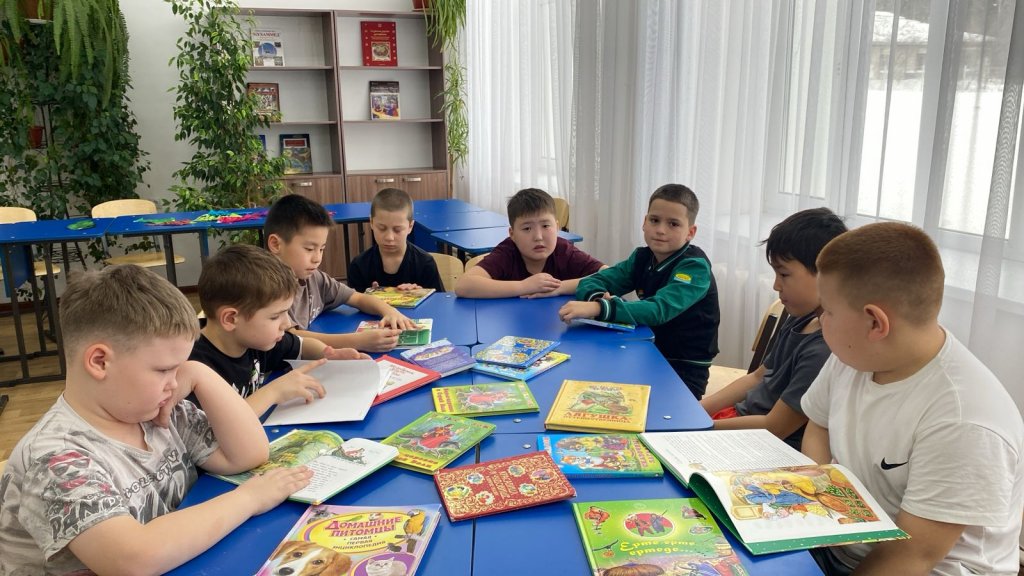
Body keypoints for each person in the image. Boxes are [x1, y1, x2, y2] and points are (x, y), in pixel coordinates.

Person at [0, 265, 313, 575]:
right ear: (100, 361)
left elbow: (248, 454)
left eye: (180, 367)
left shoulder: (156, 409)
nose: (175, 382)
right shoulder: (56, 458)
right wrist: (249, 499)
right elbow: (132, 559)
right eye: (164, 369)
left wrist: (200, 373)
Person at [801, 222, 1024, 575]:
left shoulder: (964, 419)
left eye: (826, 310)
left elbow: (912, 556)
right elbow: (819, 424)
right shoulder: (856, 354)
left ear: (875, 323)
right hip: (841, 548)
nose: (819, 321)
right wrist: (816, 494)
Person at [700, 208, 847, 448]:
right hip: (740, 420)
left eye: (784, 274)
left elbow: (775, 427)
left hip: (765, 444)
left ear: (825, 274)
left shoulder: (824, 350)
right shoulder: (801, 317)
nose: (776, 285)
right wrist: (698, 410)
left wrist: (701, 427)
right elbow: (757, 376)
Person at [559, 183, 719, 399]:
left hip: (683, 367)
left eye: (673, 224)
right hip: (645, 351)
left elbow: (658, 310)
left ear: (690, 232)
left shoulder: (694, 267)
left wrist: (598, 308)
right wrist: (597, 298)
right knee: (589, 388)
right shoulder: (642, 257)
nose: (661, 230)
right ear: (644, 222)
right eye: (654, 220)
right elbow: (595, 280)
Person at [189, 244, 368, 416]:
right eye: (275, 316)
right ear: (230, 319)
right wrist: (273, 392)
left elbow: (301, 345)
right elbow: (212, 428)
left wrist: (329, 354)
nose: (286, 323)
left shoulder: (254, 339)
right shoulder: (191, 369)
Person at [265, 194, 418, 352]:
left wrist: (389, 312)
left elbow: (356, 297)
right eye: (309, 249)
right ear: (276, 244)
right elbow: (291, 339)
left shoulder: (314, 278)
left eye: (321, 249)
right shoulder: (268, 289)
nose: (317, 259)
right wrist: (357, 341)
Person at [454, 188, 605, 298]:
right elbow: (464, 285)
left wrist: (559, 288)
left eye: (546, 226)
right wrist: (524, 286)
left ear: (557, 227)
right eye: (527, 228)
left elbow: (610, 276)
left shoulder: (564, 250)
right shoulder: (508, 252)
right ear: (512, 234)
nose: (538, 237)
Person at [346, 188, 445, 293]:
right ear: (371, 222)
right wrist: (367, 298)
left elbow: (439, 302)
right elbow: (353, 302)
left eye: (397, 230)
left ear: (410, 226)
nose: (389, 237)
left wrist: (423, 295)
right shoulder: (359, 266)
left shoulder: (425, 264)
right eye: (382, 228)